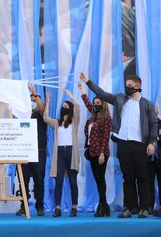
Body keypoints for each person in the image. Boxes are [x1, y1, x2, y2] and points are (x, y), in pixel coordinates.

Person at [81, 73, 157, 219]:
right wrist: (88, 82)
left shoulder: (147, 104)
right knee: (127, 177)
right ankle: (129, 207)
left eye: (129, 86)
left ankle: (144, 207)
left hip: (140, 144)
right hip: (123, 143)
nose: (127, 88)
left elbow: (153, 124)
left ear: (137, 86)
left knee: (142, 177)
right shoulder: (119, 99)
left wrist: (152, 143)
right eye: (126, 85)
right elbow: (102, 94)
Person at [43, 88, 80, 217]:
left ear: (69, 109)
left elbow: (77, 105)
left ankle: (74, 207)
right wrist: (47, 102)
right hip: (59, 153)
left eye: (66, 106)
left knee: (72, 181)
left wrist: (69, 94)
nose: (64, 108)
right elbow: (46, 118)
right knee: (58, 181)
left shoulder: (74, 122)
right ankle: (57, 207)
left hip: (71, 152)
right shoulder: (57, 123)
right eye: (63, 106)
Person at [78, 82, 112, 217]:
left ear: (103, 104)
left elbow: (105, 137)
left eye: (98, 102)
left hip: (101, 153)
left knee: (100, 178)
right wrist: (82, 91)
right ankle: (105, 206)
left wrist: (103, 153)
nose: (96, 104)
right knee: (98, 179)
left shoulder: (106, 119)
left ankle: (102, 205)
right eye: (95, 102)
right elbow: (88, 104)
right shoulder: (92, 119)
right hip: (91, 152)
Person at [16, 84, 47, 217]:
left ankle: (39, 206)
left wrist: (35, 93)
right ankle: (24, 206)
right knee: (23, 181)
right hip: (24, 152)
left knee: (39, 180)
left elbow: (42, 108)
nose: (33, 102)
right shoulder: (22, 116)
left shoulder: (42, 116)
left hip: (39, 152)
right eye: (31, 100)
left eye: (34, 101)